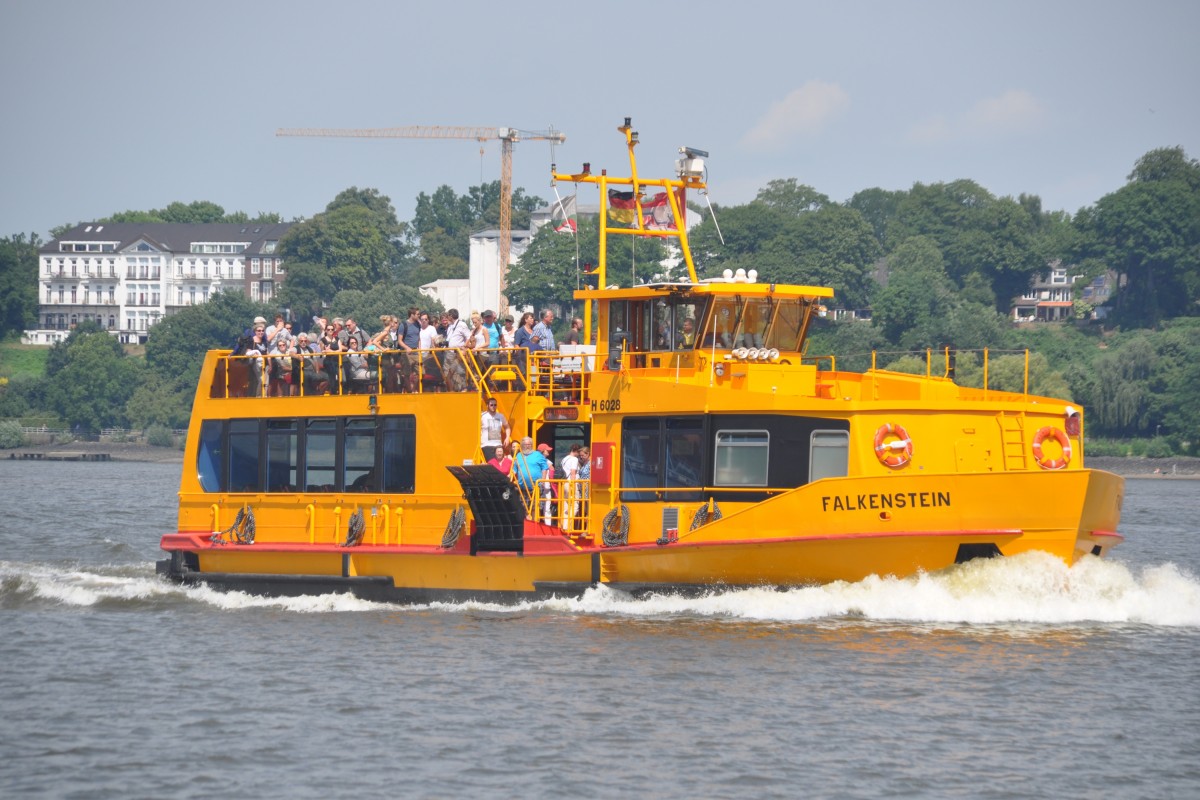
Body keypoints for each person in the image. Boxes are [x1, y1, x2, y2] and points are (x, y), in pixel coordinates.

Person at [512, 437, 551, 507]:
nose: (527, 446)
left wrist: (543, 481)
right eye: (525, 444)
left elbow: (544, 468)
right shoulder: (518, 455)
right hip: (522, 487)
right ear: (522, 445)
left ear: (532, 445)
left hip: (536, 486)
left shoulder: (538, 455)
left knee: (535, 508)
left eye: (529, 444)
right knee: (523, 508)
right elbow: (514, 470)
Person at [443, 308, 471, 391]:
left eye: (448, 316)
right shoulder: (450, 326)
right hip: (449, 352)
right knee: (447, 372)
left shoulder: (462, 324)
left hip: (457, 353)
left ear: (451, 316)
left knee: (459, 371)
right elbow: (450, 339)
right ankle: (451, 390)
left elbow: (469, 337)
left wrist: (465, 348)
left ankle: (462, 389)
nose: (447, 318)